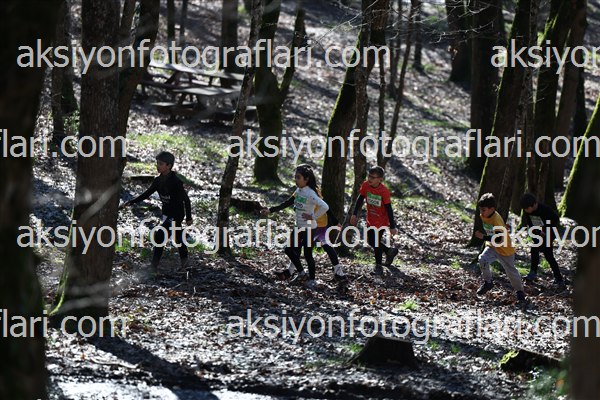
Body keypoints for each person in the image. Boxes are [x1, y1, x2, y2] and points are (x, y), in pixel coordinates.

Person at [261, 165, 332, 289]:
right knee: (288, 250)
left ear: (306, 179)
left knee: (308, 254)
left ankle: (312, 280)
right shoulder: (299, 191)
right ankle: (302, 273)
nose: (296, 179)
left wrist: (313, 216)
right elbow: (287, 203)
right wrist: (270, 210)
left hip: (309, 228)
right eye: (295, 177)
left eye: (298, 177)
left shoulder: (310, 193)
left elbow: (325, 206)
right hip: (299, 227)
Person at [121, 151, 193, 274]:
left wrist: (189, 217)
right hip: (167, 214)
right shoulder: (158, 180)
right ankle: (185, 265)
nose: (158, 166)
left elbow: (186, 200)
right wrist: (132, 202)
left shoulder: (175, 181)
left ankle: (153, 267)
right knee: (178, 238)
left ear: (169, 166)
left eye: (161, 164)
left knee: (159, 236)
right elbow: (147, 193)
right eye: (157, 163)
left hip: (176, 214)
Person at [474, 193, 526, 302]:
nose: (481, 212)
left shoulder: (496, 220)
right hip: (492, 246)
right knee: (482, 259)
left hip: (504, 249)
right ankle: (488, 282)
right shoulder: (484, 215)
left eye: (483, 210)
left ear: (492, 209)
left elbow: (498, 239)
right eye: (480, 209)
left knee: (511, 272)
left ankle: (520, 291)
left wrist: (483, 237)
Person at [349, 166, 399, 275]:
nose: (370, 179)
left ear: (380, 179)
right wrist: (354, 214)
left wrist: (392, 226)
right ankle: (389, 251)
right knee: (371, 241)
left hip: (381, 220)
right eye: (369, 176)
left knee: (375, 241)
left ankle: (378, 266)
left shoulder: (384, 191)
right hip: (371, 218)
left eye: (373, 177)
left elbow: (389, 209)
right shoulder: (366, 185)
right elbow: (360, 199)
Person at [520, 193, 565, 286]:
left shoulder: (545, 209)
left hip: (549, 234)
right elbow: (530, 224)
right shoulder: (528, 212)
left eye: (527, 208)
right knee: (534, 249)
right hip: (538, 234)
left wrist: (546, 229)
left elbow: (555, 219)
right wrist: (536, 232)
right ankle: (533, 273)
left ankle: (559, 279)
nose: (526, 211)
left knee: (548, 256)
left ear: (533, 205)